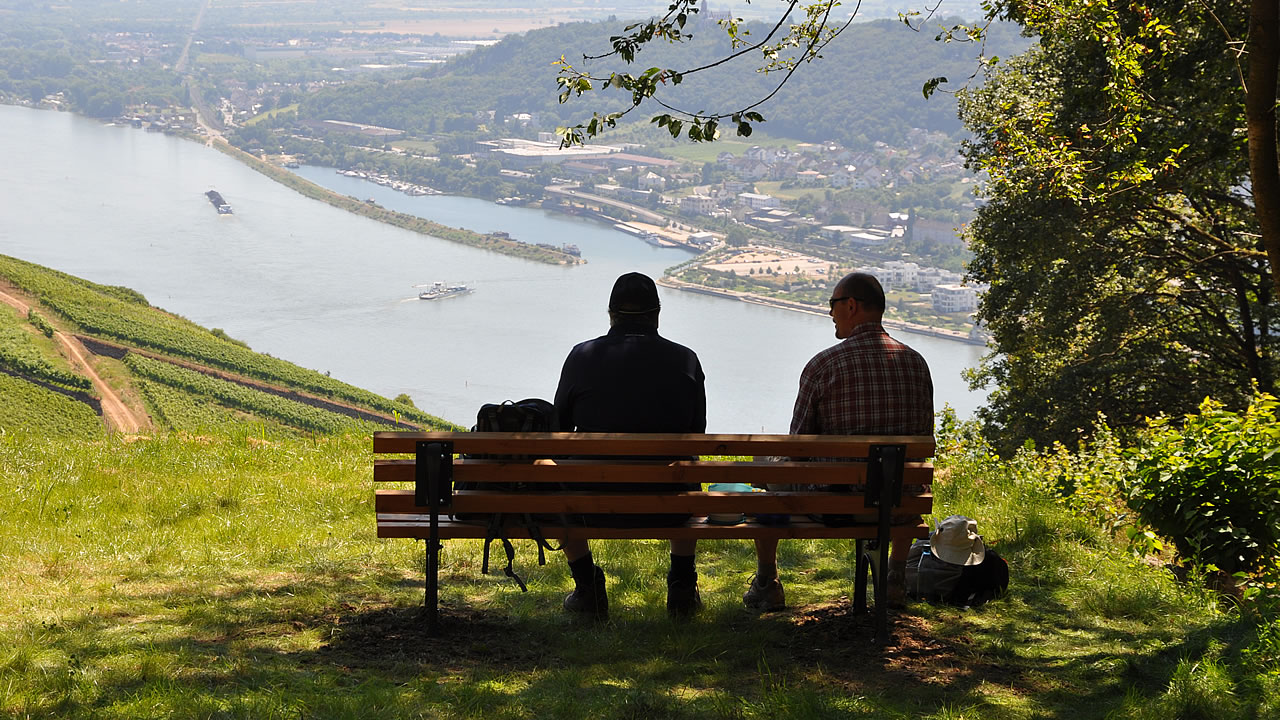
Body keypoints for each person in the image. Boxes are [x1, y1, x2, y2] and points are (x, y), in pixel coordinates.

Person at [743, 272, 934, 611]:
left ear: (850, 306)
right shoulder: (916, 364)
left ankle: (766, 582)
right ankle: (894, 577)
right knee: (903, 484)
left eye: (832, 305)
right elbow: (922, 438)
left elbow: (798, 449)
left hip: (834, 505)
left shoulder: (824, 365)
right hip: (899, 506)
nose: (830, 313)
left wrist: (767, 467)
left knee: (763, 469)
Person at [553, 272, 707, 619]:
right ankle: (681, 586)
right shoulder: (685, 359)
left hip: (587, 502)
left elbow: (558, 428)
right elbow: (697, 430)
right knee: (688, 464)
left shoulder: (581, 356)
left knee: (553, 480)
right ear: (657, 314)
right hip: (670, 503)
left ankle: (587, 586)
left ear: (611, 313)